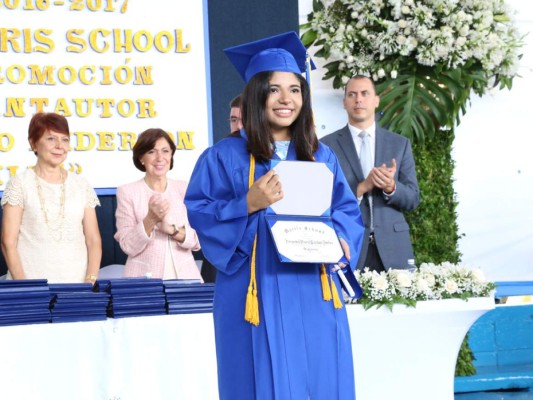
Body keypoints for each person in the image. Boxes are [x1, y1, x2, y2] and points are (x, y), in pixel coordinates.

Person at [184, 32, 364, 400]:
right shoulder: (223, 156)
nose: (286, 99)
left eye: (295, 89)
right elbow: (201, 213)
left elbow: (345, 209)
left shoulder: (319, 155)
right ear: (256, 96)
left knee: (320, 373)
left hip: (315, 288)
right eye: (274, 89)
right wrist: (246, 203)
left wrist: (344, 238)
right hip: (256, 288)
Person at [321, 75, 420, 272]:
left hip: (394, 248)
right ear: (344, 103)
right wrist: (360, 188)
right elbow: (320, 202)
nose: (359, 99)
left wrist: (391, 187)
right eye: (352, 94)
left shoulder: (399, 144)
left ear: (376, 100)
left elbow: (413, 199)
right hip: (348, 245)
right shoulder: (326, 146)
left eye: (365, 94)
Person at [0, 112, 102, 284]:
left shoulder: (81, 185)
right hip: (32, 288)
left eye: (65, 140)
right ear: (33, 144)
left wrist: (90, 281)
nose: (59, 146)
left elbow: (93, 240)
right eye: (51, 139)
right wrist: (25, 287)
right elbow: (7, 242)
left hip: (77, 288)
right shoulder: (19, 183)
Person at [114, 128, 202, 280]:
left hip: (186, 279)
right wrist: (150, 220)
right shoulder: (127, 192)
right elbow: (128, 246)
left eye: (165, 151)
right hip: (144, 282)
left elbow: (198, 240)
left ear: (171, 156)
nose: (160, 158)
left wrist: (172, 230)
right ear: (141, 158)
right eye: (151, 152)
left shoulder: (184, 188)